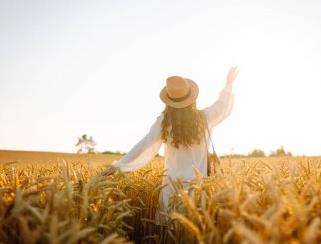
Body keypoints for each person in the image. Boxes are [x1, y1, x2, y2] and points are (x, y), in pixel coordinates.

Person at [101, 66, 239, 222]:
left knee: (171, 231)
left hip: (171, 188)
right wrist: (229, 84)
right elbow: (223, 105)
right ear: (191, 98)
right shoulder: (204, 117)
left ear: (169, 101)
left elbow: (144, 144)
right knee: (194, 230)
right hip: (197, 187)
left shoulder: (164, 123)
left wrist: (119, 165)